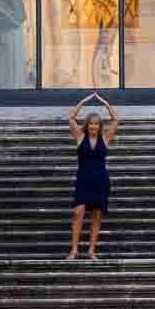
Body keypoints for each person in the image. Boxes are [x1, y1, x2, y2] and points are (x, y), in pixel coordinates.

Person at [66, 92, 119, 260]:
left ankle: (91, 251)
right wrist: (83, 101)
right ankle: (74, 250)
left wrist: (105, 104)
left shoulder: (105, 137)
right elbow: (70, 118)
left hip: (100, 180)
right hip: (83, 179)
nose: (94, 127)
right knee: (78, 212)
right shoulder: (80, 137)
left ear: (100, 126)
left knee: (97, 215)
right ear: (87, 125)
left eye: (96, 124)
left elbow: (116, 120)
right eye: (91, 124)